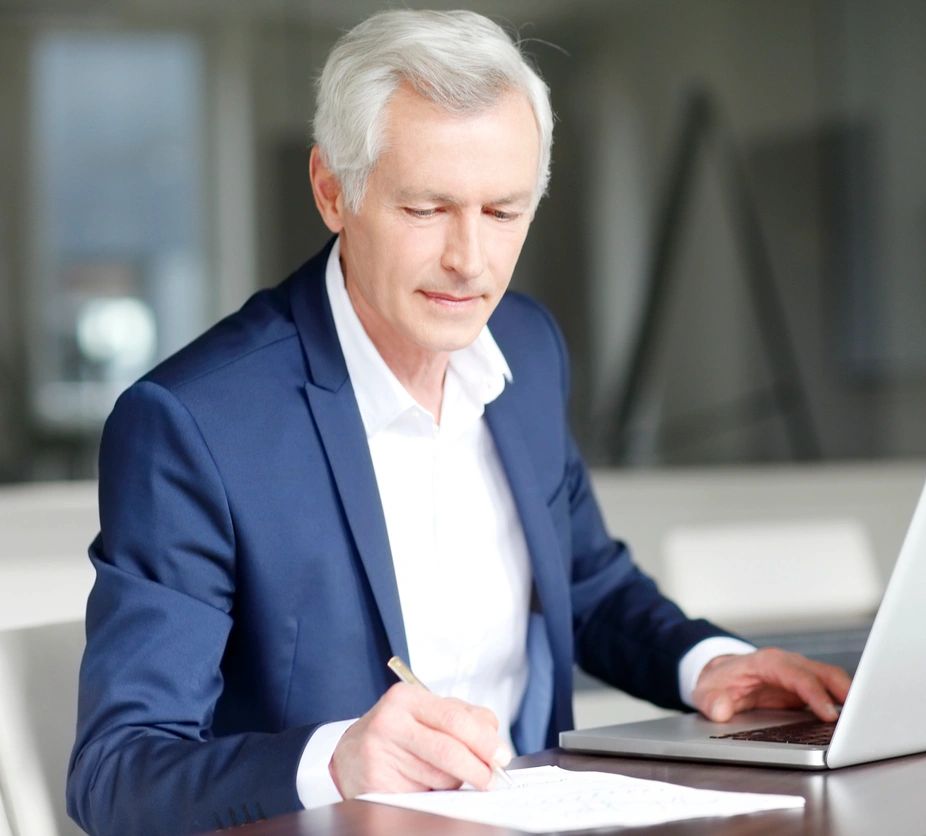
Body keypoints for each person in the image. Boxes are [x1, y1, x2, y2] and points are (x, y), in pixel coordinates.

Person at [67, 9, 850, 834]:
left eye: (503, 212)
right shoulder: (195, 426)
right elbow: (118, 773)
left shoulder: (528, 347)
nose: (470, 261)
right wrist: (336, 761)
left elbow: (584, 585)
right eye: (427, 209)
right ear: (334, 191)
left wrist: (711, 666)